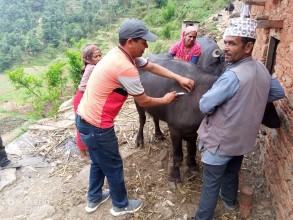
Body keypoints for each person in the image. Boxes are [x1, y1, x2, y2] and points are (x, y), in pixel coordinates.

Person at [76, 18, 195, 216]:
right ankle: (120, 205)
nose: (146, 46)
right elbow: (144, 101)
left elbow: (152, 66)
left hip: (84, 119)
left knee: (98, 162)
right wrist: (166, 100)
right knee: (113, 165)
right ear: (130, 42)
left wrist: (178, 77)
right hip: (98, 126)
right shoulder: (125, 68)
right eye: (143, 42)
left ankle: (94, 197)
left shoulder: (119, 54)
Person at [194, 18, 285, 220]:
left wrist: (241, 98)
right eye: (225, 42)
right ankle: (229, 202)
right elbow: (278, 92)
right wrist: (253, 98)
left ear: (248, 46)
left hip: (221, 140)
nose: (225, 48)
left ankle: (202, 217)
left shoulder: (231, 76)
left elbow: (205, 105)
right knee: (232, 171)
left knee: (210, 183)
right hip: (243, 139)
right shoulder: (261, 68)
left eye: (232, 43)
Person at [73, 44, 102, 162]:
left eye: (100, 55)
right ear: (88, 59)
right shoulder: (92, 68)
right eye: (96, 57)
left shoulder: (91, 66)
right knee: (82, 127)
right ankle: (82, 154)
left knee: (89, 125)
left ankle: (90, 148)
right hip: (82, 98)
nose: (99, 58)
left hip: (86, 97)